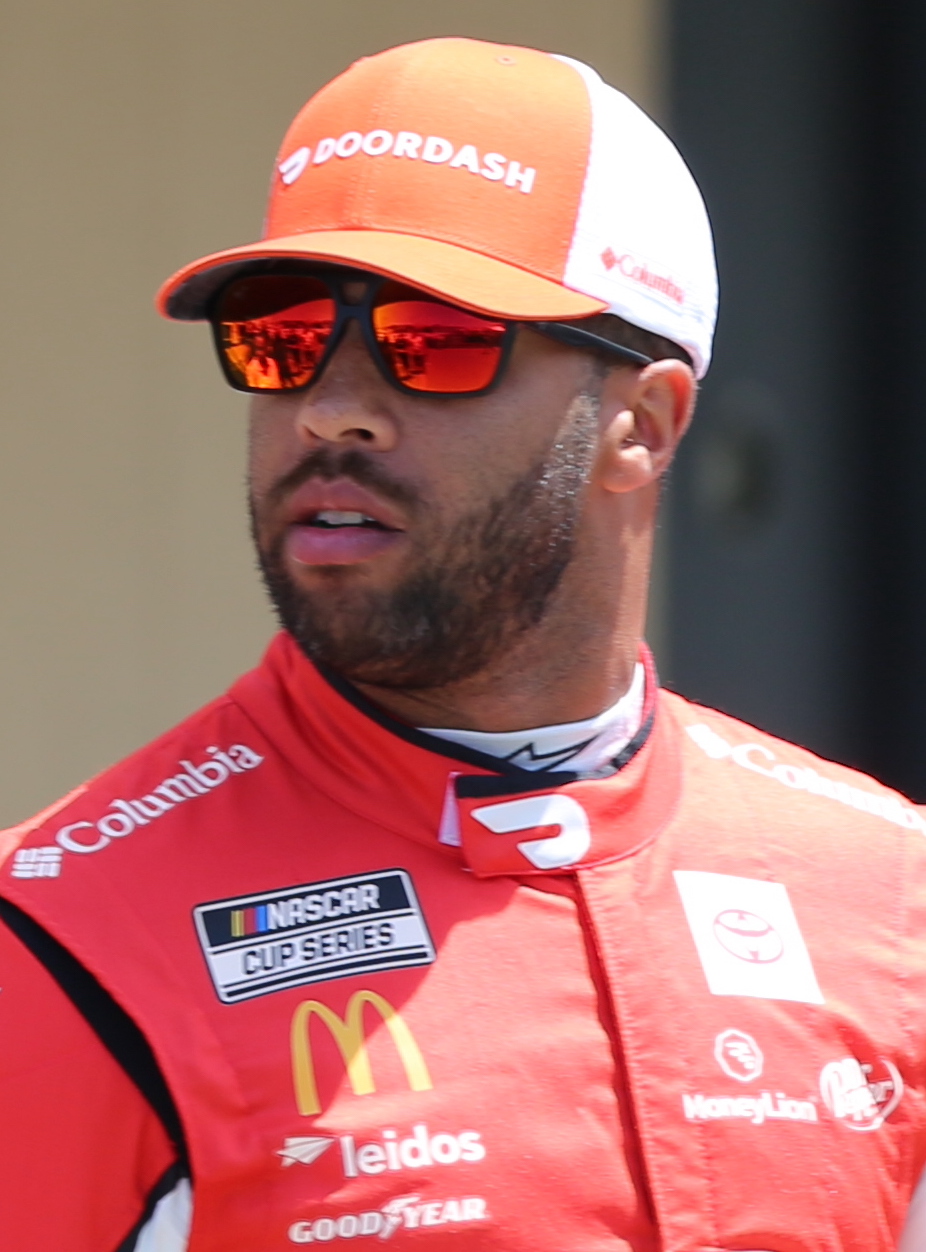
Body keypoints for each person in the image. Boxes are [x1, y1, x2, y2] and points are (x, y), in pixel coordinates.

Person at [1, 35, 925, 1252]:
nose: (329, 407)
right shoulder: (59, 941)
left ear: (640, 426)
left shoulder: (889, 892)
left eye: (430, 339)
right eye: (279, 341)